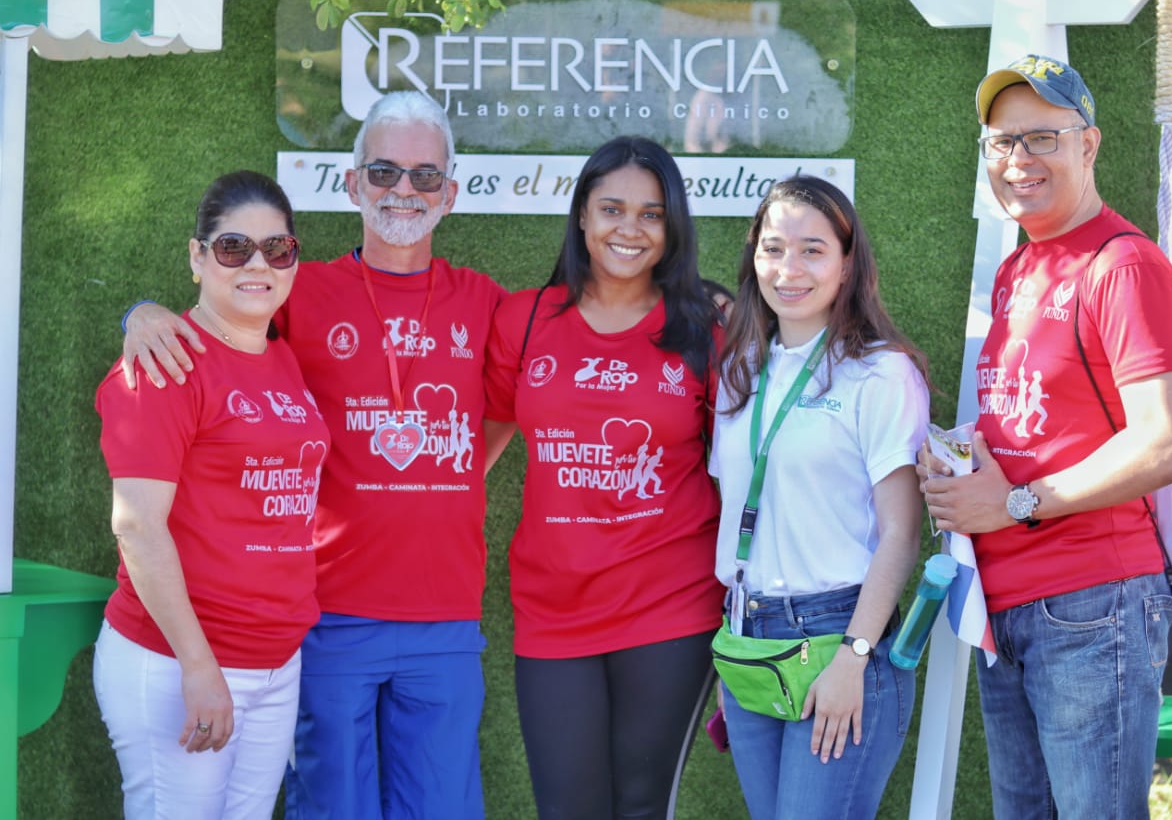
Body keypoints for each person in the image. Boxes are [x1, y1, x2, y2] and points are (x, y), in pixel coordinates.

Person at [121, 92, 505, 820]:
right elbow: (218, 326)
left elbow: (527, 392)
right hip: (328, 614)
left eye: (426, 176)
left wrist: (454, 473)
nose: (405, 190)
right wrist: (138, 312)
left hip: (445, 617)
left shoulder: (482, 300)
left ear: (450, 194)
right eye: (385, 170)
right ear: (353, 182)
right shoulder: (303, 288)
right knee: (334, 806)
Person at [918, 54, 1172, 819]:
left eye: (1041, 137)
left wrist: (1012, 501)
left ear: (1091, 144)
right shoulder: (1020, 269)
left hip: (1092, 604)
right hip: (1011, 605)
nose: (1018, 161)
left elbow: (1165, 444)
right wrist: (959, 450)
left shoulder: (1125, 266)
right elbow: (1042, 415)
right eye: (1001, 143)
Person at [483, 136, 723, 820]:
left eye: (651, 214)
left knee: (643, 806)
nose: (630, 228)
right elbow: (483, 439)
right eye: (612, 208)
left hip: (669, 605)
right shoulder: (524, 318)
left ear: (672, 226)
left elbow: (740, 459)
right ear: (582, 216)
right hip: (552, 608)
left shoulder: (707, 326)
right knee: (568, 808)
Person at [95, 171, 329, 819]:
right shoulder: (164, 367)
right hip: (179, 659)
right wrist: (198, 665)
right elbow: (138, 526)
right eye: (233, 248)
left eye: (277, 249)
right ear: (197, 257)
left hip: (275, 661)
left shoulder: (281, 353)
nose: (257, 264)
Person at [709, 174, 929, 819]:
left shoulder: (880, 373)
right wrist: (736, 644)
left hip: (838, 639)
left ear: (847, 262)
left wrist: (855, 659)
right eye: (774, 248)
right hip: (750, 644)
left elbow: (902, 534)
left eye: (812, 249)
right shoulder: (739, 370)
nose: (790, 269)